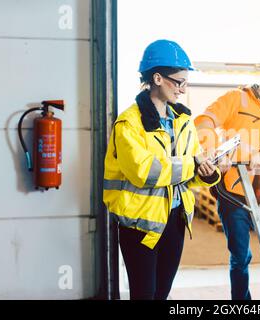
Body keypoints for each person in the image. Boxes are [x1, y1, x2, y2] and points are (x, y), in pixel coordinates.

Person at [103, 39, 220, 300]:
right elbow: (144, 172)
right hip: (140, 227)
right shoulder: (128, 123)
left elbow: (185, 173)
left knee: (161, 295)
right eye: (179, 82)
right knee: (144, 295)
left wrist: (206, 173)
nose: (183, 89)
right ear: (157, 78)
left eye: (185, 82)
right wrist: (193, 163)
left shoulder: (183, 121)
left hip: (175, 221)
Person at [194, 58, 260, 300]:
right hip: (234, 194)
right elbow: (204, 122)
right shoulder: (236, 99)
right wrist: (213, 153)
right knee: (240, 258)